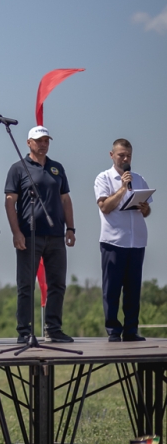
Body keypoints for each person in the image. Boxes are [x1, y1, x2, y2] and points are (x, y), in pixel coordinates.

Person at [4, 126, 75, 344]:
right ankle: (24, 331)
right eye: (39, 140)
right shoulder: (18, 168)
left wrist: (70, 228)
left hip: (56, 236)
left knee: (58, 284)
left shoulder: (57, 168)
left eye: (46, 140)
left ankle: (53, 328)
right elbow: (10, 202)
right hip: (29, 236)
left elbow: (65, 199)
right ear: (29, 143)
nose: (43, 144)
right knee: (26, 285)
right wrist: (16, 232)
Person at [95, 138, 152, 342]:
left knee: (133, 289)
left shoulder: (139, 179)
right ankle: (113, 330)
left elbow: (147, 210)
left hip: (136, 241)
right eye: (121, 155)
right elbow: (104, 207)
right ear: (112, 155)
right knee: (112, 288)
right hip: (113, 241)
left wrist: (145, 208)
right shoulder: (103, 178)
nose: (126, 159)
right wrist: (122, 188)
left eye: (128, 155)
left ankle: (131, 330)